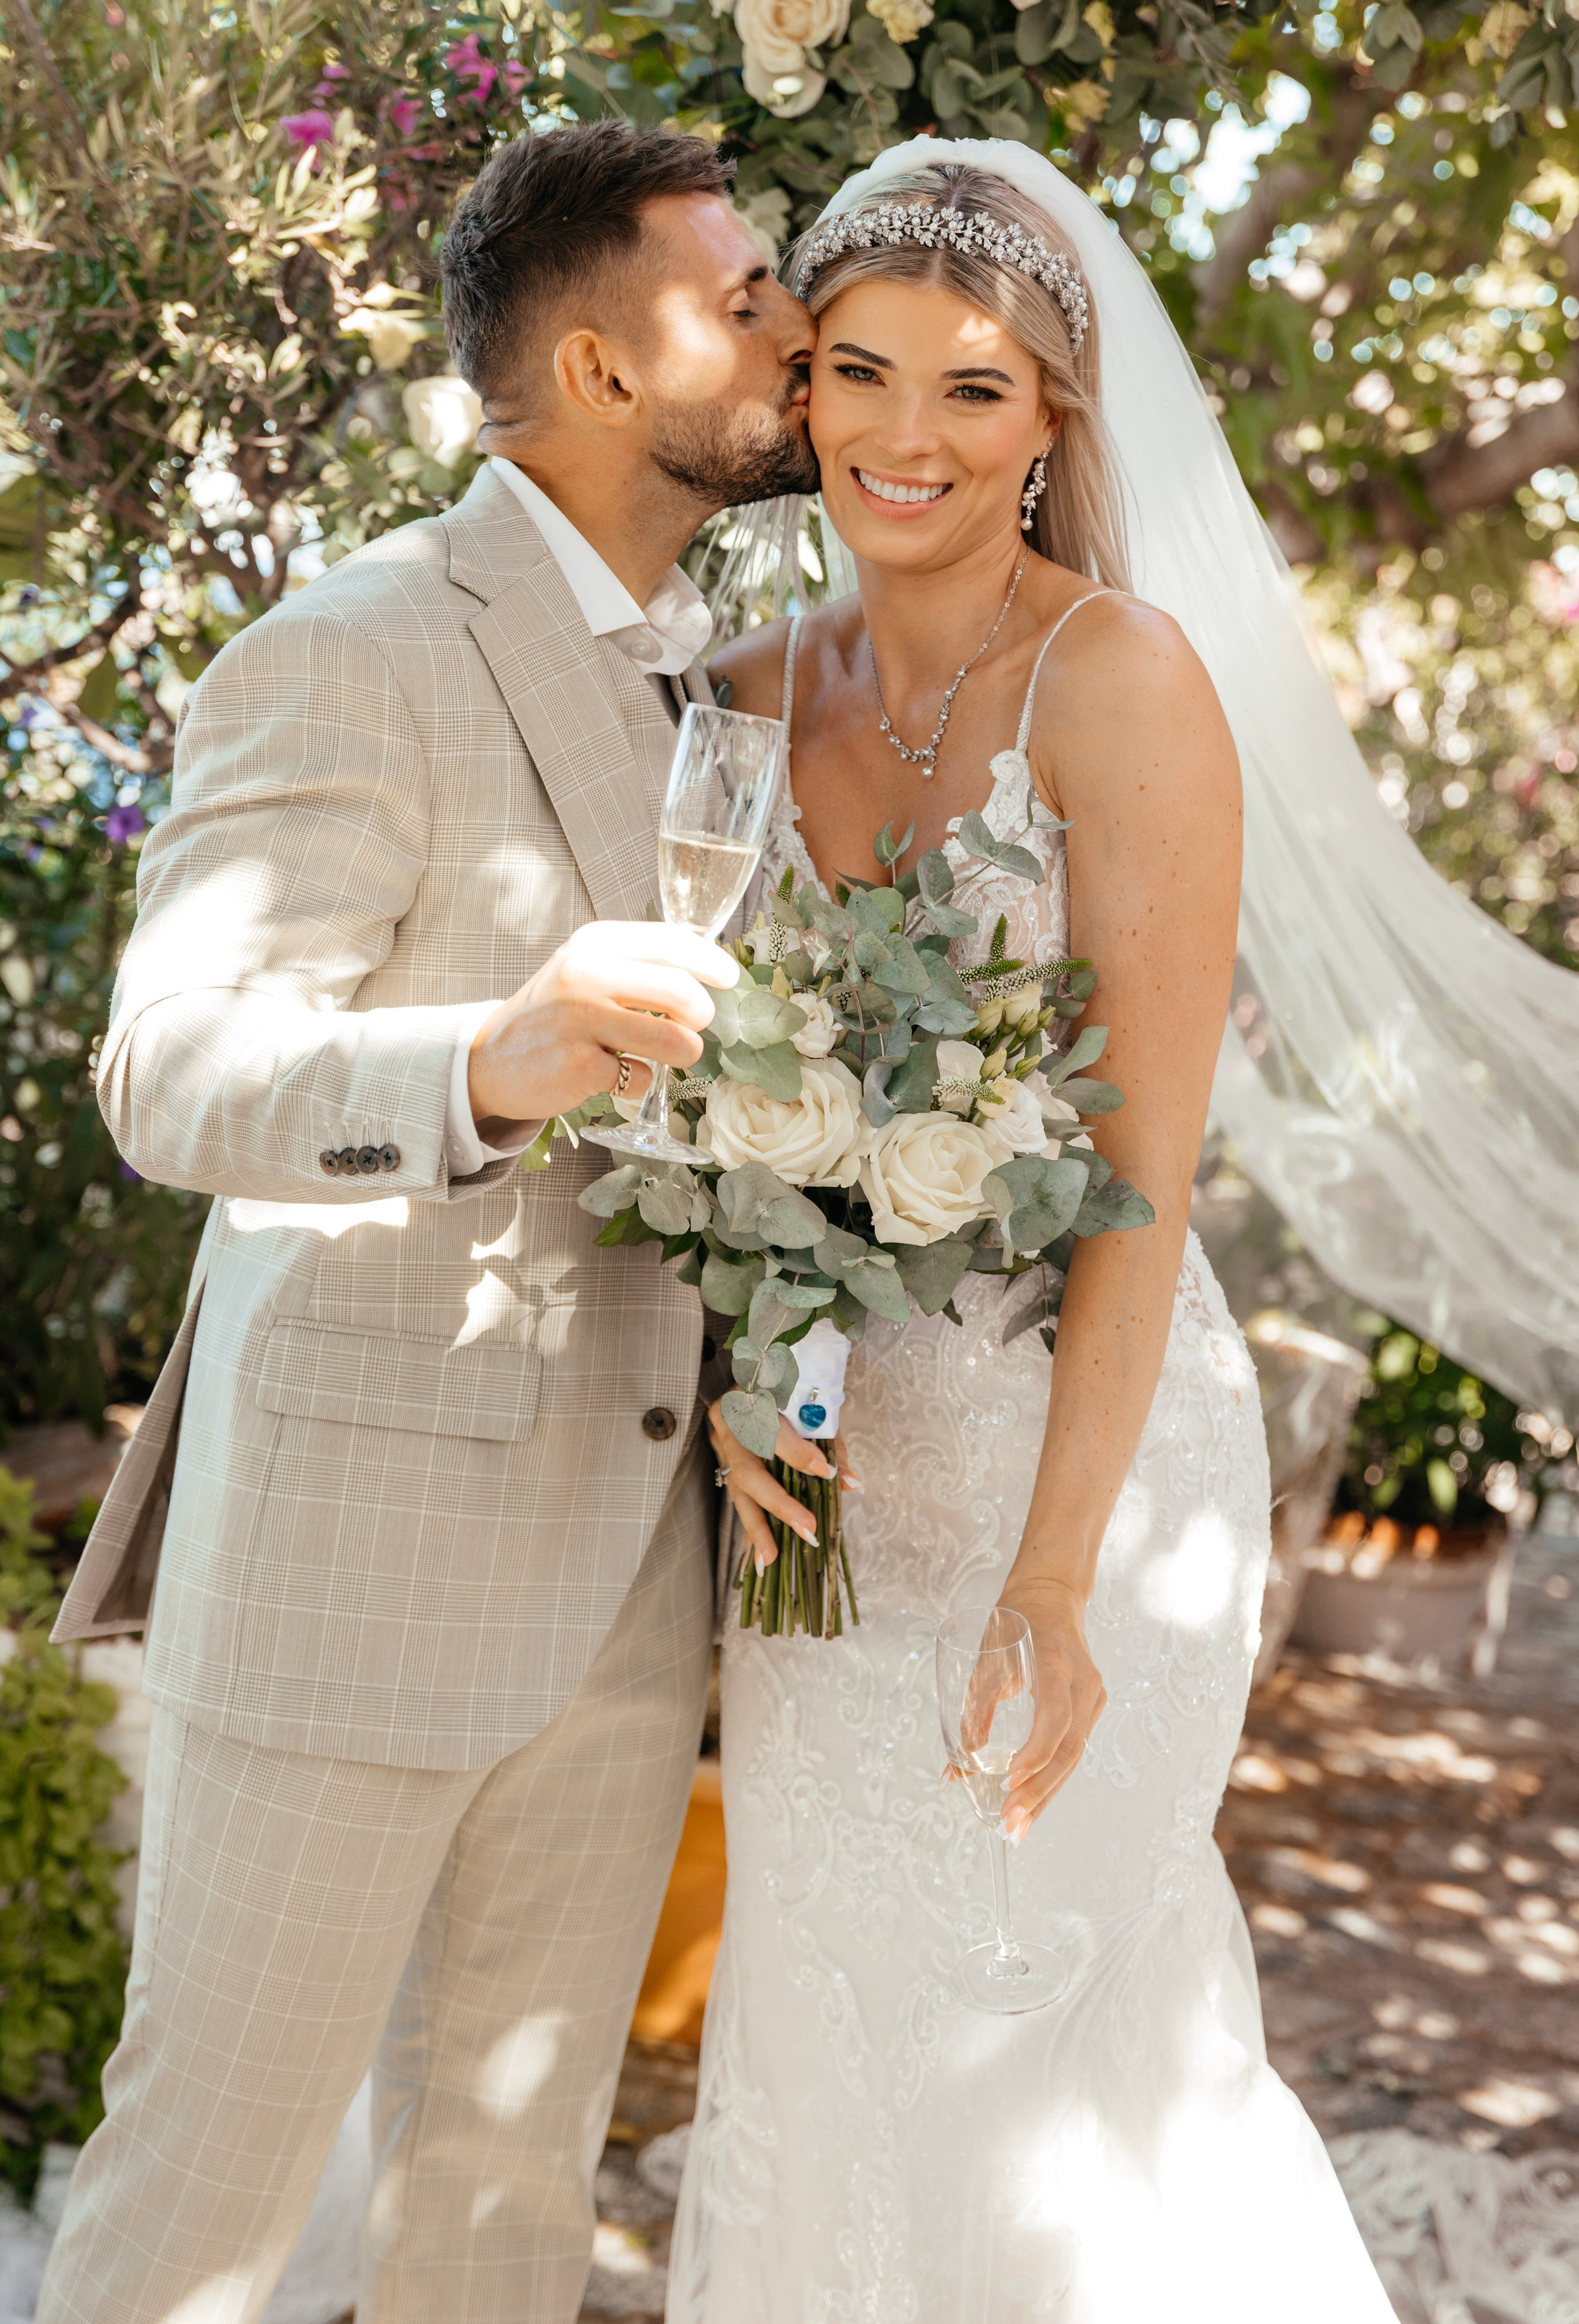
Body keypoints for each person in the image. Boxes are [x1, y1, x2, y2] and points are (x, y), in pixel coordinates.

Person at [36, 120, 817, 2324]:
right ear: (592, 367)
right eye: (741, 293)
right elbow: (171, 1069)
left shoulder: (728, 677)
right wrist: (488, 1059)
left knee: (503, 2222)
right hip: (352, 1582)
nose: (792, 326)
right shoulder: (357, 645)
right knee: (207, 2200)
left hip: (624, 1584)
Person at [668, 147, 1401, 2322]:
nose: (908, 436)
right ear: (798, 396)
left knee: (1050, 2036)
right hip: (830, 1485)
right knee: (828, 2029)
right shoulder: (729, 701)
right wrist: (747, 1386)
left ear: (1055, 423)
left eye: (974, 393)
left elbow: (1147, 1176)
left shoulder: (1124, 684)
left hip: (1090, 1470)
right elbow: (720, 1137)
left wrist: (1063, 1576)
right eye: (862, 375)